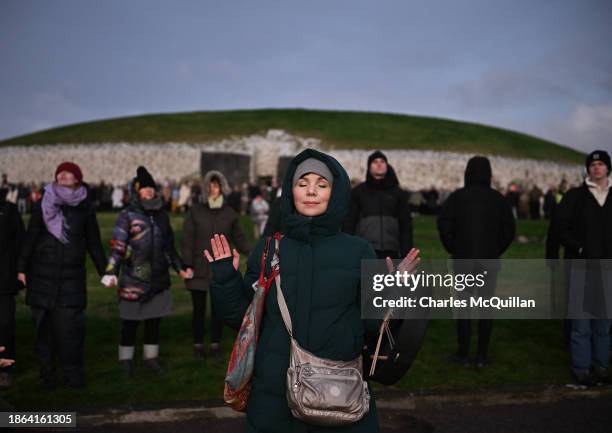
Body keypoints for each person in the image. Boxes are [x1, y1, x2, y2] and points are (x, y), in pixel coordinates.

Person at [206, 149, 419, 432]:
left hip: (338, 395)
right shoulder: (268, 249)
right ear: (290, 190)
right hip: (274, 401)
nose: (311, 192)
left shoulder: (359, 250)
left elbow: (372, 325)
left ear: (336, 192)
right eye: (302, 183)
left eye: (322, 184)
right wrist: (224, 279)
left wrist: (393, 290)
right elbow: (243, 321)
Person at [17, 162, 107, 389]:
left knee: (70, 333)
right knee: (43, 333)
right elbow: (31, 237)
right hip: (41, 277)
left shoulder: (85, 207)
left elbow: (94, 243)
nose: (64, 175)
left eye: (70, 173)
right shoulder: (42, 204)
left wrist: (106, 271)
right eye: (61, 172)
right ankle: (47, 376)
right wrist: (21, 268)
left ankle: (73, 377)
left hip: (71, 280)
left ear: (78, 178)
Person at [102, 166, 190, 376]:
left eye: (151, 187)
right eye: (144, 188)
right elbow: (118, 246)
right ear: (136, 191)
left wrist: (180, 268)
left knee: (153, 322)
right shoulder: (127, 216)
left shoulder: (162, 216)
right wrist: (111, 271)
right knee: (130, 323)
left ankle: (151, 359)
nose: (149, 191)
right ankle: (125, 360)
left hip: (159, 279)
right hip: (134, 278)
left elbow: (169, 247)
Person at [437, 156, 515, 368]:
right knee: (485, 310)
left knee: (463, 309)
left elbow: (443, 224)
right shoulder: (498, 199)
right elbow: (509, 229)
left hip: (462, 260)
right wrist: (495, 249)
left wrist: (453, 247)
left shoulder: (457, 197)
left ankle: (463, 355)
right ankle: (481, 356)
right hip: (488, 261)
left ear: (467, 172)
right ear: (489, 173)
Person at [182, 170, 251, 362]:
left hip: (220, 269)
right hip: (198, 267)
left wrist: (257, 254)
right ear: (205, 188)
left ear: (222, 187)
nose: (213, 189)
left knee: (219, 310)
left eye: (216, 185)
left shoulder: (229, 213)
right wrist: (186, 264)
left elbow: (240, 239)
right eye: (210, 186)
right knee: (198, 310)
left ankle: (215, 345)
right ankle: (197, 345)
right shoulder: (195, 211)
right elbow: (187, 239)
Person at [557, 150, 612, 387]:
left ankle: (601, 367)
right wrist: (579, 249)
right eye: (592, 164)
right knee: (580, 324)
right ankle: (581, 368)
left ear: (608, 168)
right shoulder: (575, 197)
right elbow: (562, 229)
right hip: (581, 267)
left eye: (600, 164)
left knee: (603, 323)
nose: (596, 168)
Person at [343, 150, 412, 259]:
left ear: (387, 165)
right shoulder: (358, 192)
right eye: (375, 162)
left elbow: (406, 225)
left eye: (382, 161)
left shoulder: (398, 193)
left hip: (392, 251)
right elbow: (348, 222)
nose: (379, 164)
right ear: (369, 167)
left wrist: (406, 253)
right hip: (364, 250)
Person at [0, 187, 25, 389]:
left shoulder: (9, 211)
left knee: (5, 325)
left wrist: (20, 271)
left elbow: (20, 243)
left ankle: (5, 369)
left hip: (4, 279)